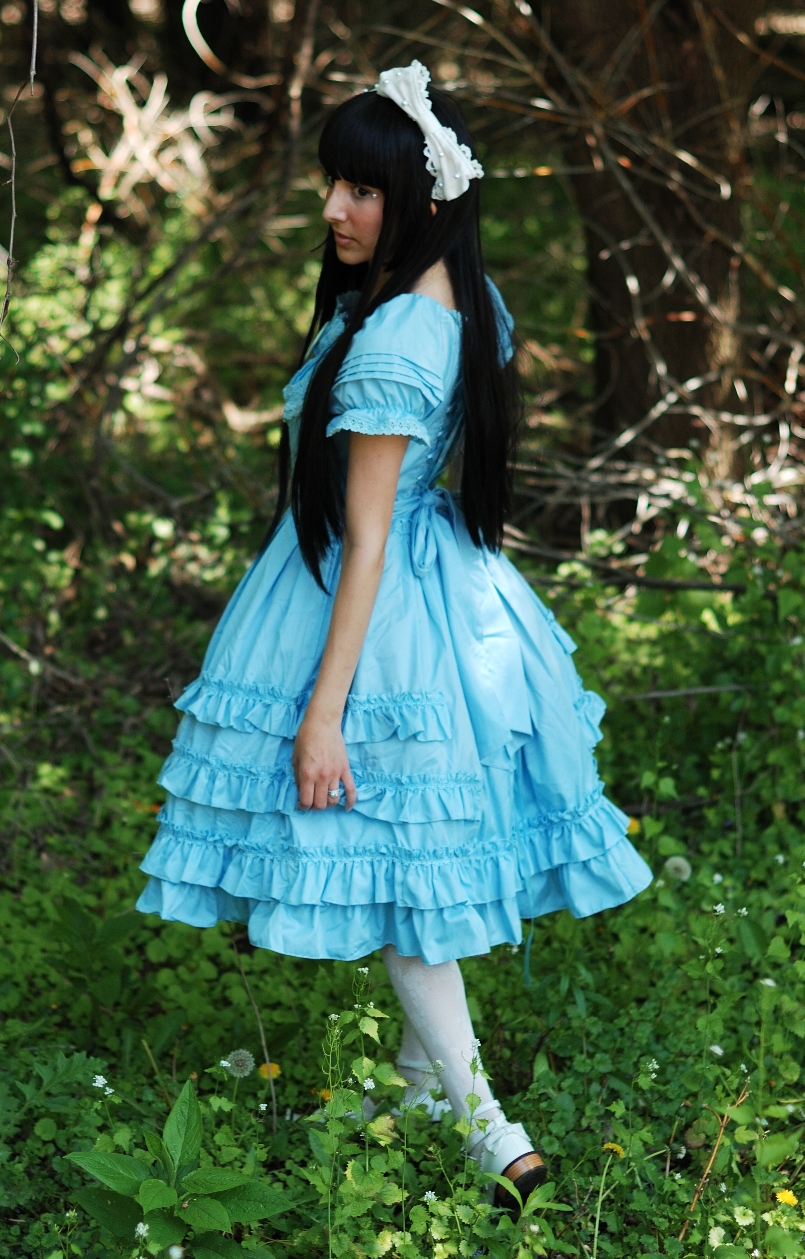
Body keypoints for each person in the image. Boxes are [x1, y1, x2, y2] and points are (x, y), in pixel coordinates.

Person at [136, 61, 653, 1210]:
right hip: (444, 589)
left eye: (362, 189)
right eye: (331, 183)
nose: (334, 210)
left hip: (383, 614)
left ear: (422, 199)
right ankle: (427, 1096)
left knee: (396, 870)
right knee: (413, 862)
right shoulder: (450, 304)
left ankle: (484, 1123)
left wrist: (323, 712)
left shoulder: (392, 344)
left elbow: (362, 539)